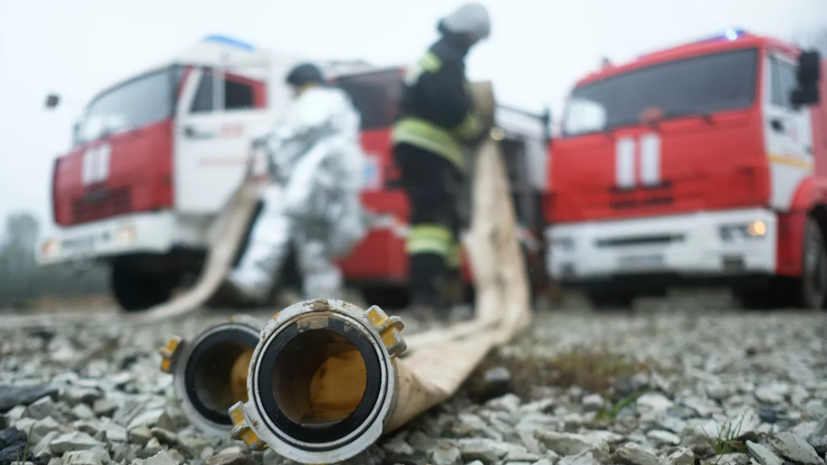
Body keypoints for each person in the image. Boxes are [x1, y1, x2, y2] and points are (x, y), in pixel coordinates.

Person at [222, 62, 368, 305]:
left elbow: (303, 128)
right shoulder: (339, 104)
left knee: (278, 227)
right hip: (327, 186)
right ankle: (322, 296)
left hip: (310, 183)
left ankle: (253, 282)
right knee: (313, 243)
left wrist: (268, 136)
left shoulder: (317, 99)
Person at [391, 3, 491, 319]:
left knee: (445, 224)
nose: (475, 43)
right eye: (476, 37)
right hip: (427, 149)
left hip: (424, 150)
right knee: (431, 223)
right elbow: (451, 109)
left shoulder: (438, 54)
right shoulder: (447, 58)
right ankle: (426, 297)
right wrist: (475, 130)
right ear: (469, 32)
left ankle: (446, 296)